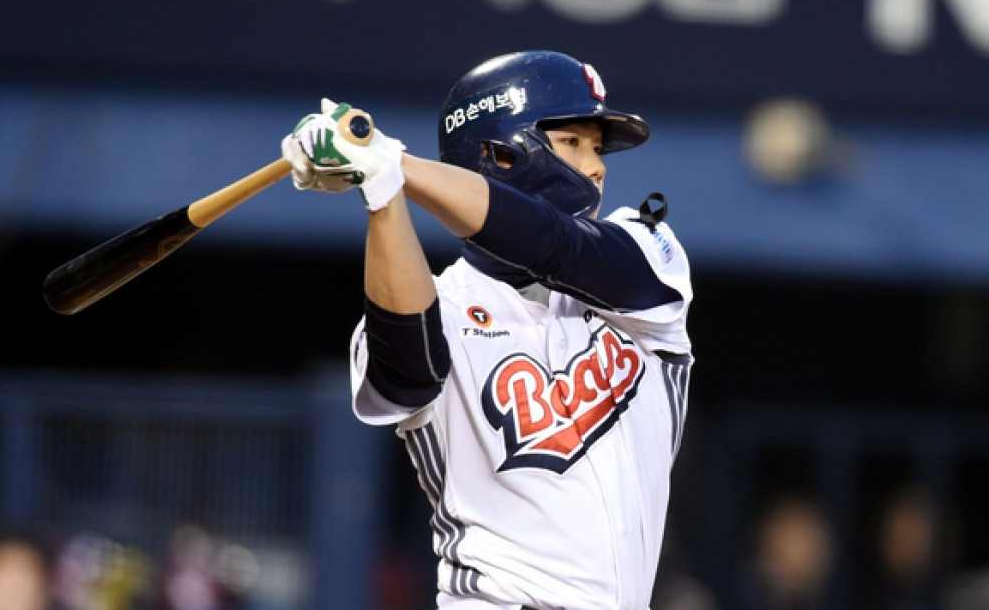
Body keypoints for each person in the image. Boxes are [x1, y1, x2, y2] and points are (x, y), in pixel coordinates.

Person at [280, 50, 694, 609]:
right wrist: (380, 188)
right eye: (573, 141)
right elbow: (408, 369)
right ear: (500, 154)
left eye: (598, 148)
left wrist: (389, 160)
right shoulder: (443, 303)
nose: (596, 166)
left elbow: (555, 244)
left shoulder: (648, 254)